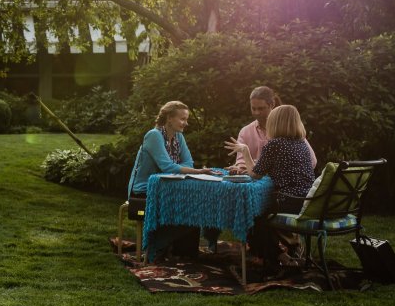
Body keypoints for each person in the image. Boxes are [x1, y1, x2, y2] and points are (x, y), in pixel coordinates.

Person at [226, 104, 317, 272]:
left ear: (275, 123)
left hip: (288, 201)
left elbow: (255, 174)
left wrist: (245, 151)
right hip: (306, 200)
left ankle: (277, 256)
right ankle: (282, 252)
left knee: (252, 213)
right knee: (258, 213)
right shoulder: (301, 143)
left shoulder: (274, 144)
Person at [127, 101, 217, 257]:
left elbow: (188, 162)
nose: (186, 123)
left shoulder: (178, 137)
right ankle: (155, 246)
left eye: (186, 119)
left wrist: (184, 168)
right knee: (189, 208)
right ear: (169, 118)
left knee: (196, 205)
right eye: (182, 119)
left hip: (168, 187)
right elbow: (167, 167)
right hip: (144, 190)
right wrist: (198, 171)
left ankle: (184, 253)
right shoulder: (154, 135)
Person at [230, 86, 317, 173]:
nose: (257, 113)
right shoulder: (245, 132)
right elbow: (241, 161)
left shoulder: (286, 130)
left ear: (272, 105)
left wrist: (264, 169)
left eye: (261, 108)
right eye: (253, 108)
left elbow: (312, 161)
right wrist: (240, 167)